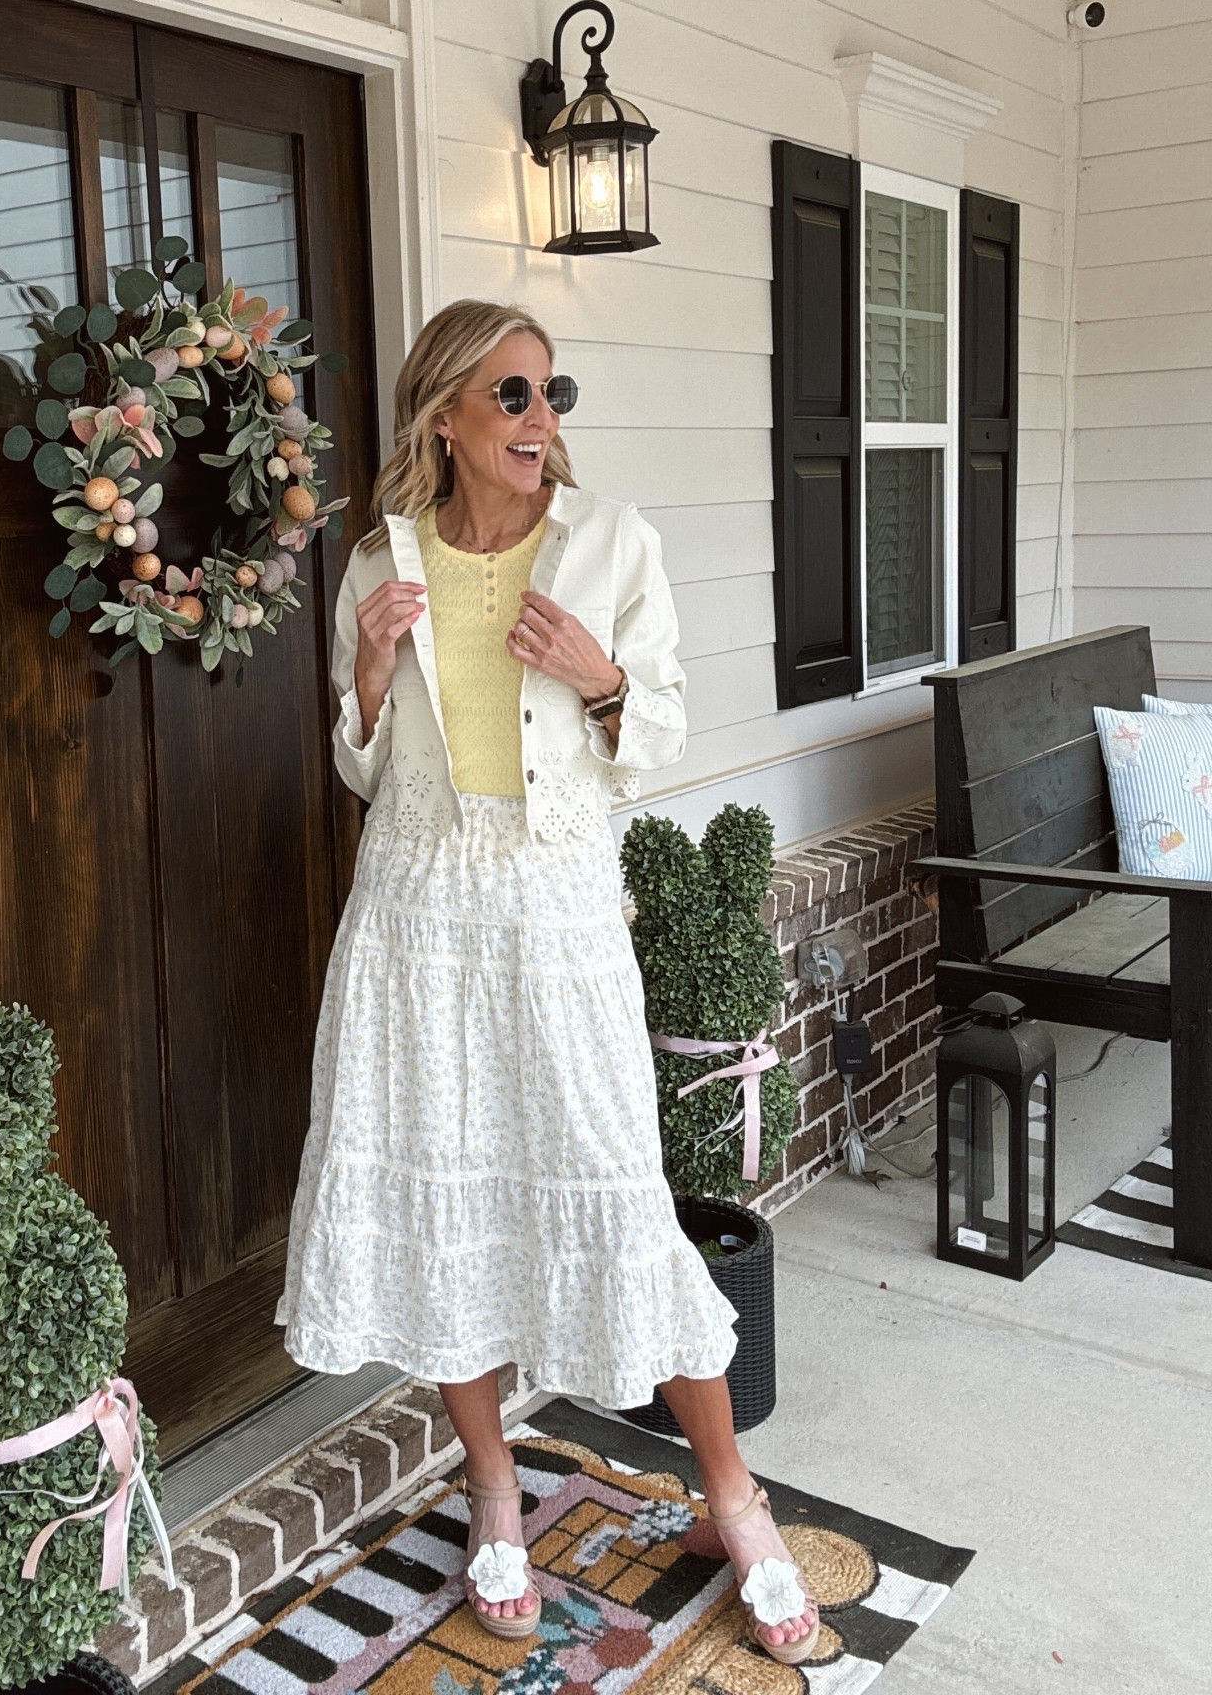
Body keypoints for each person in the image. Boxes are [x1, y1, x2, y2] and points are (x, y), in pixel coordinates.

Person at [276, 301, 817, 1665]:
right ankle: (497, 1487)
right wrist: (366, 674)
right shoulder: (377, 564)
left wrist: (605, 677)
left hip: (559, 921)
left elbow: (664, 732)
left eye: (551, 393)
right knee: (443, 1194)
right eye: (511, 397)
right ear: (444, 417)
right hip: (415, 923)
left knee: (621, 1196)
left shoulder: (611, 543)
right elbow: (361, 766)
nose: (541, 422)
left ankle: (734, 1500)